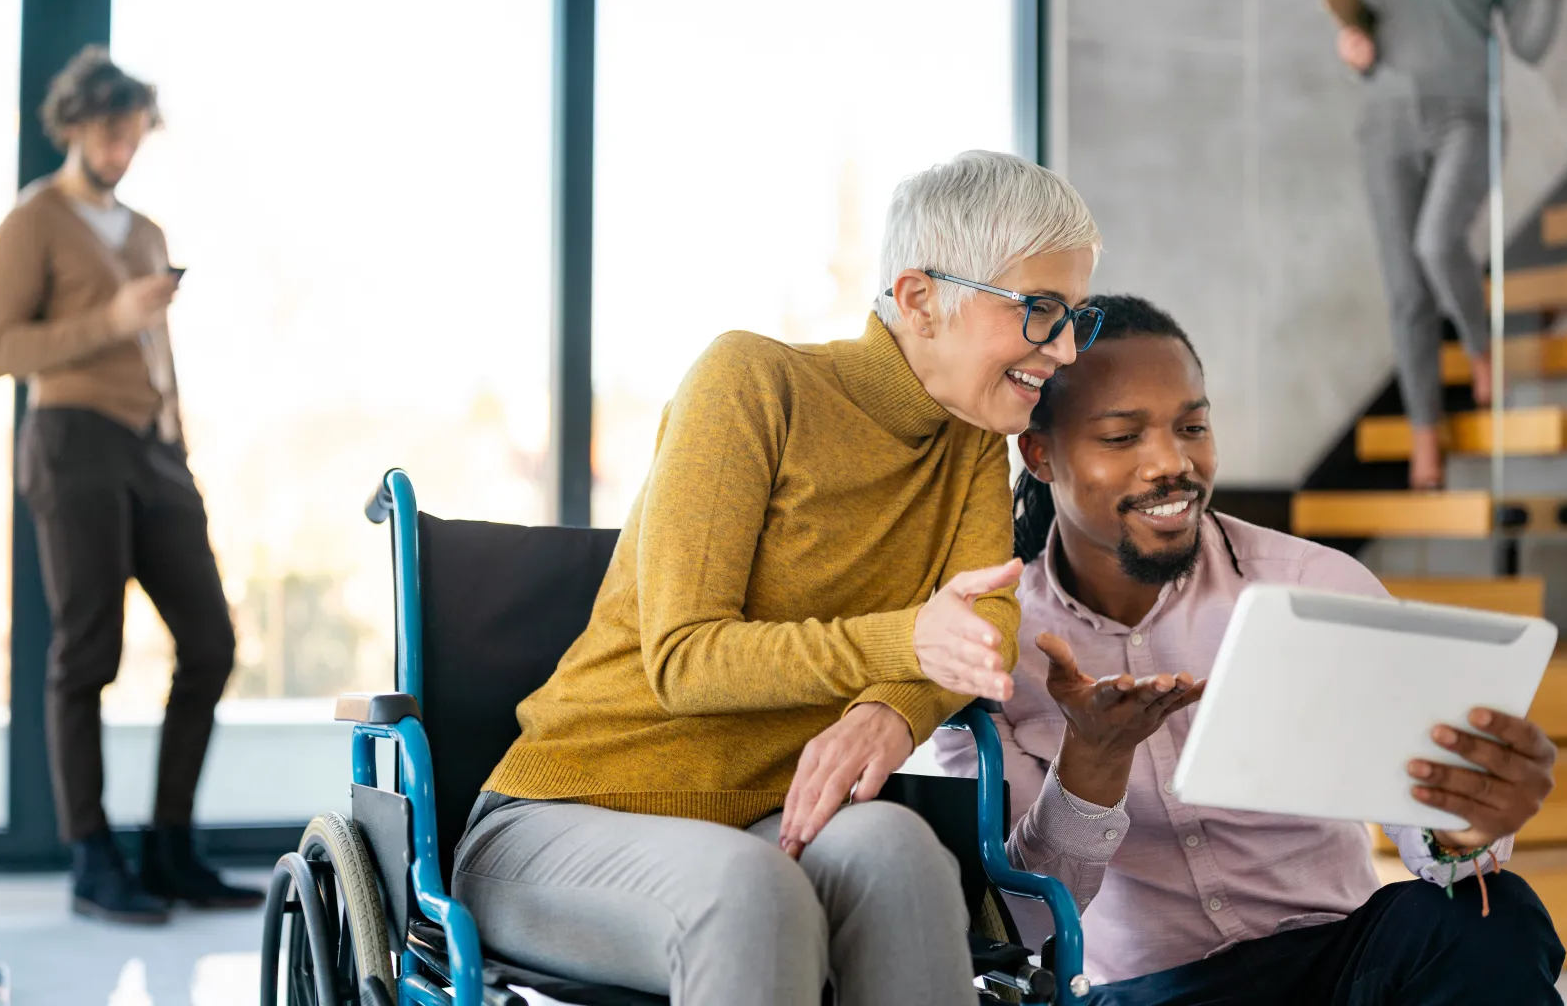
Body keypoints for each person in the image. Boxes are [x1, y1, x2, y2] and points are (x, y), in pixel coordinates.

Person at [452, 151, 1103, 1005]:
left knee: (905, 855)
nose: (1062, 350)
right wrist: (903, 643)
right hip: (566, 815)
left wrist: (890, 711)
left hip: (772, 822)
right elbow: (685, 659)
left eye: (1075, 318)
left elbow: (983, 633)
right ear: (919, 300)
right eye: (1039, 311)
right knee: (750, 892)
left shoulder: (974, 438)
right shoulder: (753, 383)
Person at [935, 294, 1564, 1004]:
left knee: (1490, 916)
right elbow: (1014, 922)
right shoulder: (993, 647)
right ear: (1040, 452)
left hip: (1340, 960)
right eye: (1122, 437)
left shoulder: (1317, 586)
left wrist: (1463, 830)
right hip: (1150, 990)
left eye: (1193, 426)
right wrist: (1092, 767)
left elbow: (1431, 841)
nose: (1173, 463)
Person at [0, 46, 258, 922]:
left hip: (153, 448)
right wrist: (109, 317)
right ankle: (91, 857)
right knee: (87, 651)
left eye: (134, 136)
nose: (121, 151)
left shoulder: (144, 232)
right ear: (74, 125)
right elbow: (0, 351)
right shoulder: (34, 223)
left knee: (210, 641)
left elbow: (156, 346)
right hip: (71, 440)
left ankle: (169, 844)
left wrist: (173, 429)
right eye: (109, 133)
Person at [1335, 0, 1567, 489]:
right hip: (1387, 127)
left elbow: (1530, 45)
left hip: (1465, 117)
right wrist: (1359, 58)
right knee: (1405, 289)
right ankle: (1424, 431)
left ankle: (1479, 347)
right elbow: (1382, 53)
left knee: (1437, 244)